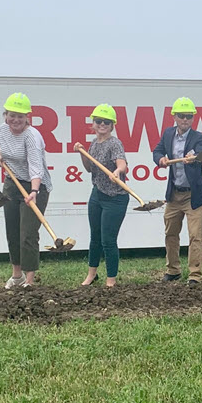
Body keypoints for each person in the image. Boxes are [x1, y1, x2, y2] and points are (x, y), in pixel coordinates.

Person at [0, 92, 53, 289]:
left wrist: (34, 191)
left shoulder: (32, 136)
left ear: (28, 117)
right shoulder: (2, 130)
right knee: (13, 230)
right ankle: (16, 275)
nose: (15, 119)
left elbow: (36, 167)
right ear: (5, 115)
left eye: (20, 116)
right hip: (12, 184)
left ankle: (29, 280)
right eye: (12, 115)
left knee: (28, 233)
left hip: (36, 186)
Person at [153, 97, 202, 284]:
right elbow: (157, 151)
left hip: (193, 195)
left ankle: (195, 275)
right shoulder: (168, 134)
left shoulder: (198, 137)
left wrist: (194, 157)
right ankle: (173, 270)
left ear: (193, 118)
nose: (185, 120)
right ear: (174, 117)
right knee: (170, 233)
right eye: (181, 116)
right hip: (174, 194)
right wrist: (160, 159)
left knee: (195, 236)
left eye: (188, 116)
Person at [73, 104, 129, 287]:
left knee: (108, 240)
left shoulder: (115, 143)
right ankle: (91, 275)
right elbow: (90, 168)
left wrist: (118, 172)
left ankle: (111, 279)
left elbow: (122, 164)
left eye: (106, 121)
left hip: (115, 197)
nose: (102, 124)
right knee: (94, 237)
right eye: (98, 121)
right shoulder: (93, 144)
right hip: (97, 194)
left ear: (112, 125)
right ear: (93, 124)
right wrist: (82, 153)